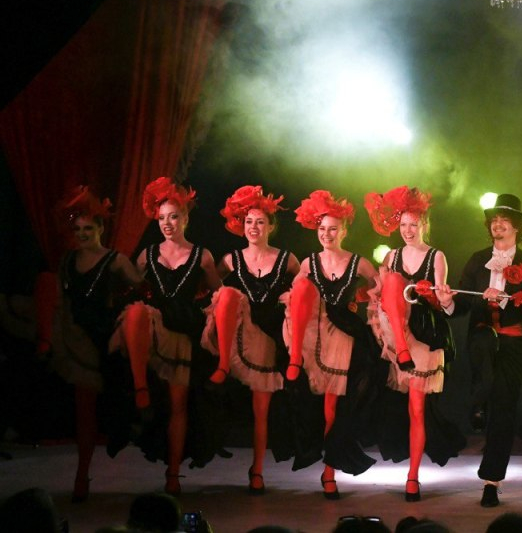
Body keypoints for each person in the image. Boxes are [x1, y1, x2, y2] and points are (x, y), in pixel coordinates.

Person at [110, 176, 221, 494]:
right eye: (161, 218)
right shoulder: (146, 255)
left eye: (173, 217)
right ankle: (140, 386)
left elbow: (219, 294)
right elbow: (131, 289)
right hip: (155, 331)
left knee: (178, 405)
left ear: (185, 218)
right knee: (136, 314)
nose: (167, 224)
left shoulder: (202, 256)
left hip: (183, 332)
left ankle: (173, 473)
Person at [38, 186, 142, 502]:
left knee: (96, 409)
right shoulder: (68, 260)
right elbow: (59, 297)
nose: (82, 234)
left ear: (100, 229)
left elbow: (142, 288)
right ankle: (81, 475)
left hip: (101, 338)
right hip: (72, 336)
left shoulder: (115, 260)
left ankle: (84, 473)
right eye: (78, 229)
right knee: (83, 411)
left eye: (88, 229)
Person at [365, 186, 464, 501]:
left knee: (417, 408)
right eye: (403, 225)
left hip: (423, 334)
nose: (408, 231)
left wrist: (436, 296)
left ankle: (413, 476)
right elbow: (381, 297)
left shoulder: (436, 256)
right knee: (393, 280)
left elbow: (442, 305)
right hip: (397, 336)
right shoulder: (392, 257)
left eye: (414, 225)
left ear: (424, 225)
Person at [201, 185, 299, 493]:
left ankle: (257, 471)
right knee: (228, 296)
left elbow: (303, 291)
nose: (253, 227)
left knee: (262, 411)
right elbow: (212, 289)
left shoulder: (287, 260)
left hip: (270, 337)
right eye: (248, 222)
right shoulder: (231, 260)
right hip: (241, 335)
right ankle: (222, 365)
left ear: (271, 226)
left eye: (259, 222)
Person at [285, 189, 381, 499]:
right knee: (319, 405)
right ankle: (326, 466)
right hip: (316, 335)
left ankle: (330, 471)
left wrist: (366, 300)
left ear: (344, 231)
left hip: (345, 335)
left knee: (334, 407)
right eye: (322, 228)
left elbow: (379, 290)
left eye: (333, 229)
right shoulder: (308, 263)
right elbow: (295, 300)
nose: (326, 234)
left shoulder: (359, 263)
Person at [453, 193, 522, 507]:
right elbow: (462, 304)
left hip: (513, 341)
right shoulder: (478, 259)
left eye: (504, 220)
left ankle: (491, 481)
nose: (497, 225)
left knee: (503, 410)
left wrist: (503, 299)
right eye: (494, 220)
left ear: (517, 226)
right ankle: (478, 401)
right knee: (485, 363)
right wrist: (447, 301)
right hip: (482, 338)